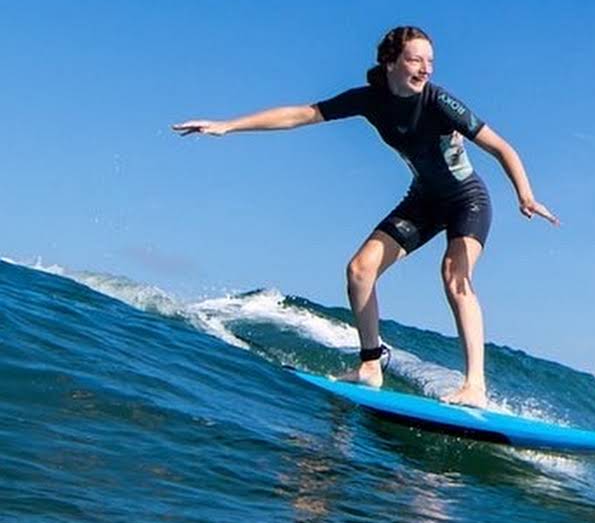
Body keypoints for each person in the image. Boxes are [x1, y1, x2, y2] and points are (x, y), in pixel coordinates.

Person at [173, 25, 558, 405]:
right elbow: (301, 115)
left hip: (466, 200)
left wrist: (525, 196)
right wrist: (228, 126)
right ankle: (371, 364)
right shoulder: (370, 100)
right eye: (416, 60)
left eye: (430, 61)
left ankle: (475, 386)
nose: (425, 69)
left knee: (454, 276)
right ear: (391, 62)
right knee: (360, 270)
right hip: (423, 200)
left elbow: (502, 148)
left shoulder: (440, 102)